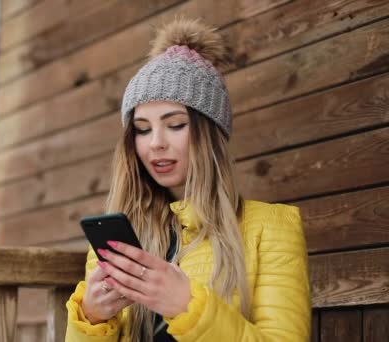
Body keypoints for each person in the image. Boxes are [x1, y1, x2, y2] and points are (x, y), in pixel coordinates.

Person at [64, 18, 311, 341]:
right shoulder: (116, 244)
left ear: (210, 133)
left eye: (175, 124)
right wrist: (93, 320)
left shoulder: (271, 228)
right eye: (142, 128)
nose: (155, 143)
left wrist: (188, 306)